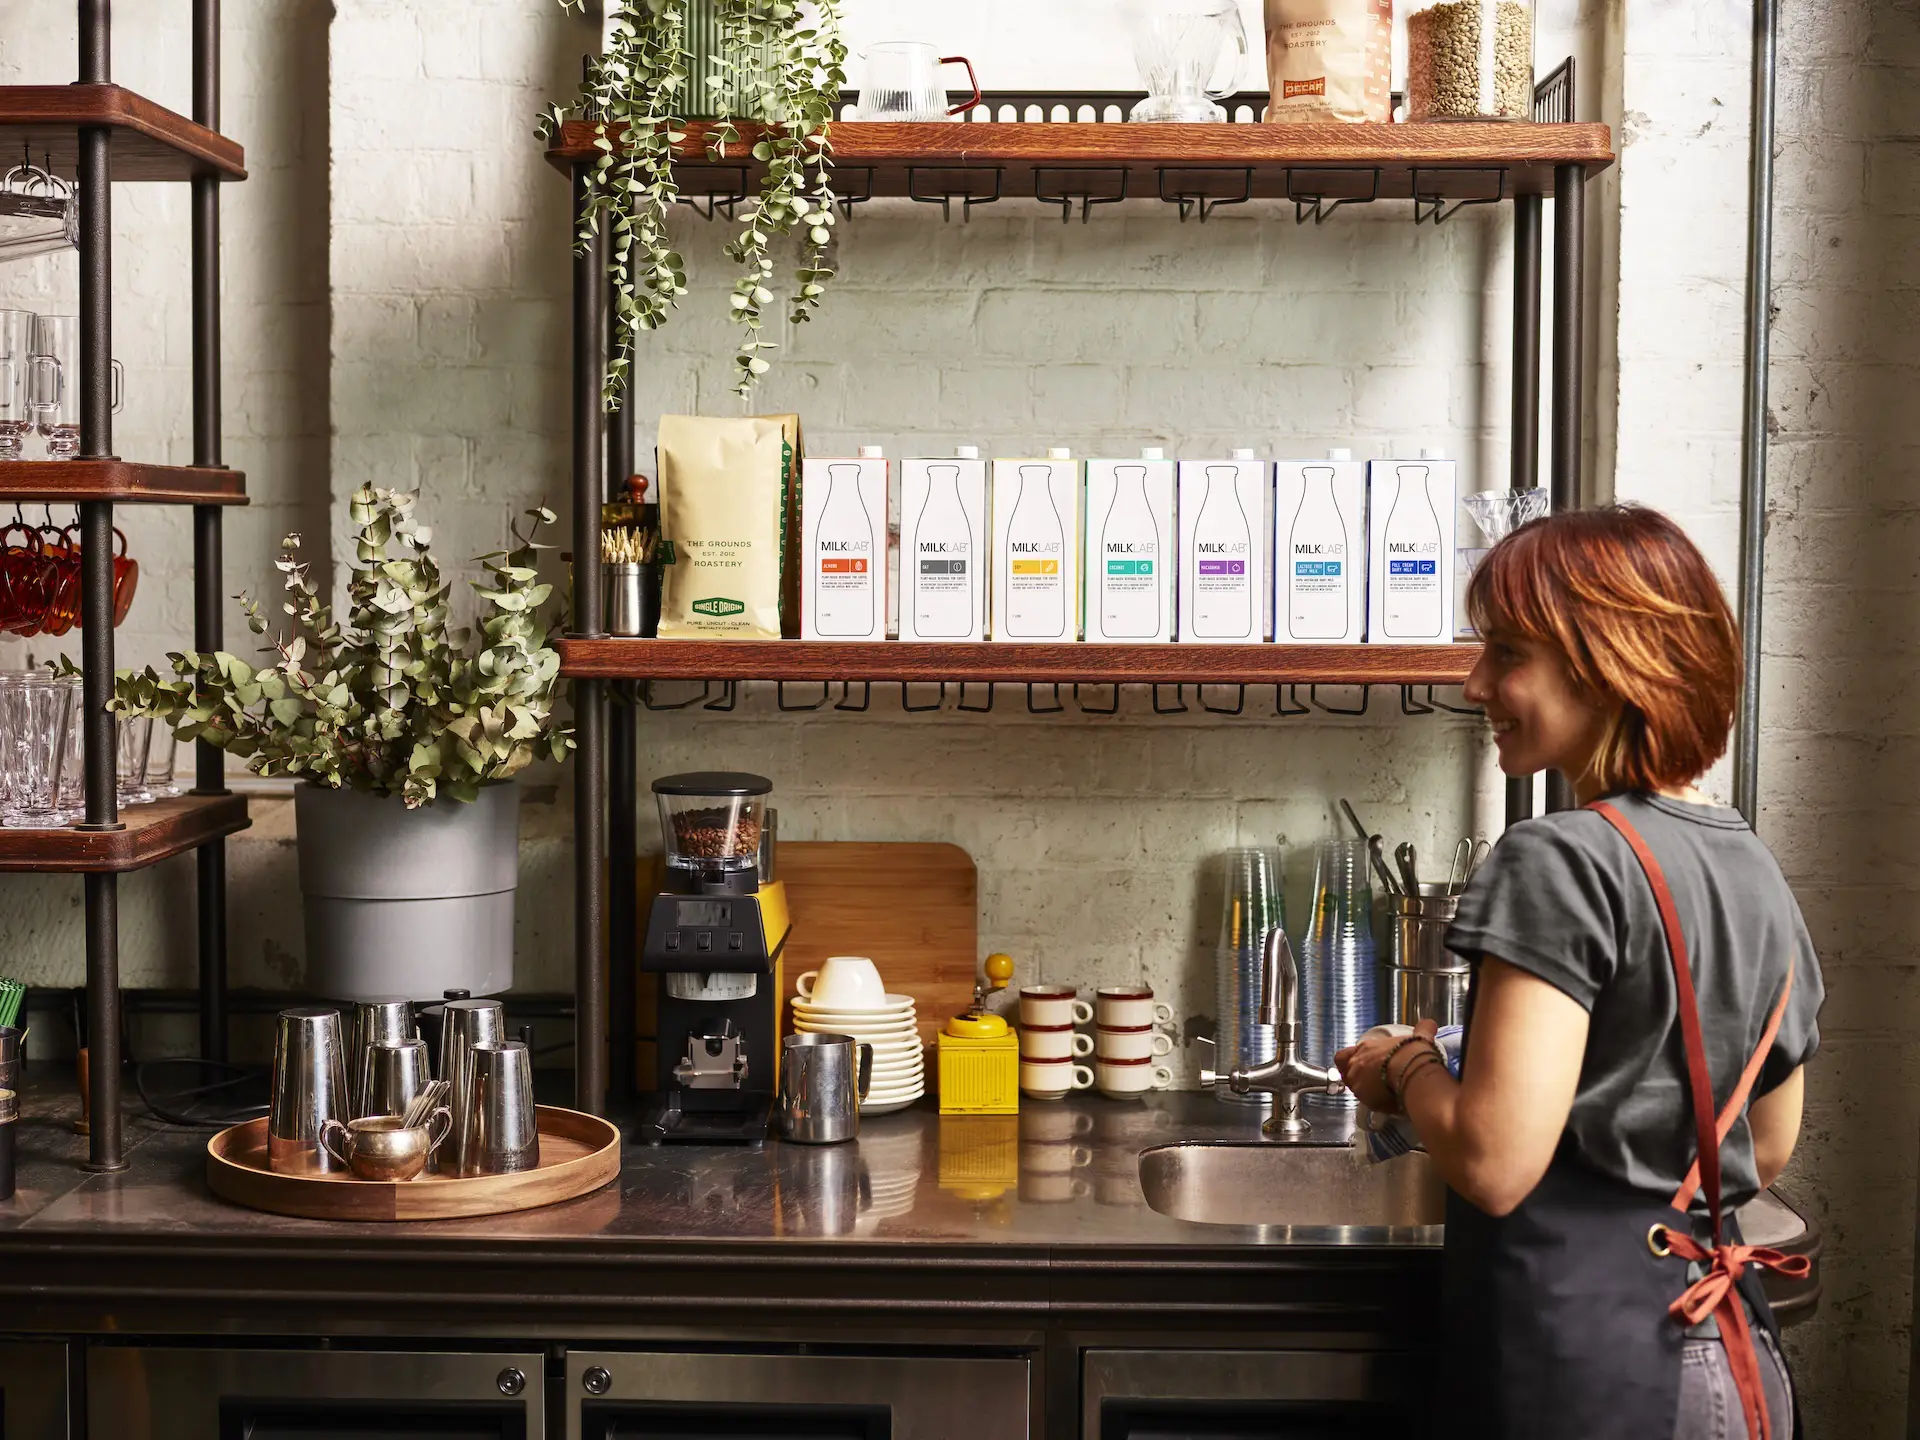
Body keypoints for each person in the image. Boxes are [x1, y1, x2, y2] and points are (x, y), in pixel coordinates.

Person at [1335, 506, 1823, 1440]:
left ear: (1608, 664)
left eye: (1507, 655)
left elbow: (1494, 1160)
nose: (1475, 685)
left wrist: (1406, 1069)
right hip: (1727, 1363)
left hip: (1590, 1371)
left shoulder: (1557, 859)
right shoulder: (1752, 865)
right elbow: (1762, 1148)